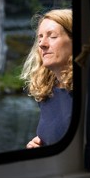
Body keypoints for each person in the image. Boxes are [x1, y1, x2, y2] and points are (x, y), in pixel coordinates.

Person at [20, 9, 73, 148]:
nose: (42, 44)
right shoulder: (47, 93)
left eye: (52, 36)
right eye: (40, 37)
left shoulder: (89, 91)